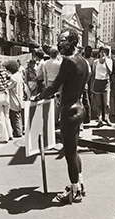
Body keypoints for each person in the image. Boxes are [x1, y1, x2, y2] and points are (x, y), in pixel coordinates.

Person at [33, 28, 89, 204]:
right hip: (79, 108)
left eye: (63, 40)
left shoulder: (68, 61)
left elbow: (54, 85)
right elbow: (77, 85)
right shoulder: (84, 62)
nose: (59, 44)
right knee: (74, 150)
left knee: (69, 153)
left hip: (69, 111)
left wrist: (39, 96)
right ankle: (79, 184)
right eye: (58, 40)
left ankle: (74, 191)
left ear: (73, 42)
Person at [92, 46, 113, 127]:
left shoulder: (109, 61)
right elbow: (93, 74)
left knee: (106, 103)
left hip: (105, 82)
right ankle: (100, 118)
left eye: (105, 51)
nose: (103, 53)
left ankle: (107, 118)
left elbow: (110, 72)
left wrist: (105, 61)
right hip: (97, 82)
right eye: (102, 51)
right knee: (99, 103)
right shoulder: (95, 62)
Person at [5, 60, 24, 138]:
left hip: (14, 98)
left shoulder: (13, 77)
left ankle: (18, 132)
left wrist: (7, 86)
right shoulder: (19, 75)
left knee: (14, 116)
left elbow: (12, 83)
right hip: (19, 97)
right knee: (18, 116)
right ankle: (20, 130)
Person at [83, 45, 94, 123]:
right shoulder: (83, 59)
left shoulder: (92, 60)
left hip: (91, 79)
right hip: (84, 79)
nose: (87, 52)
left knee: (90, 95)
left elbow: (93, 72)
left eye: (89, 51)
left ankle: (90, 112)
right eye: (86, 51)